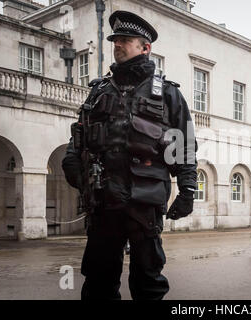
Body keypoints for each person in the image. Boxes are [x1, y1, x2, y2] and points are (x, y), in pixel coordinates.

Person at [62, 10, 197, 300]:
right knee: (98, 279)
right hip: (104, 201)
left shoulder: (168, 94)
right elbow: (80, 136)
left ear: (145, 47)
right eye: (115, 40)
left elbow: (183, 145)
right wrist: (74, 164)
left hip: (144, 201)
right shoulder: (99, 91)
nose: (117, 45)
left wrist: (187, 190)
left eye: (125, 40)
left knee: (148, 279)